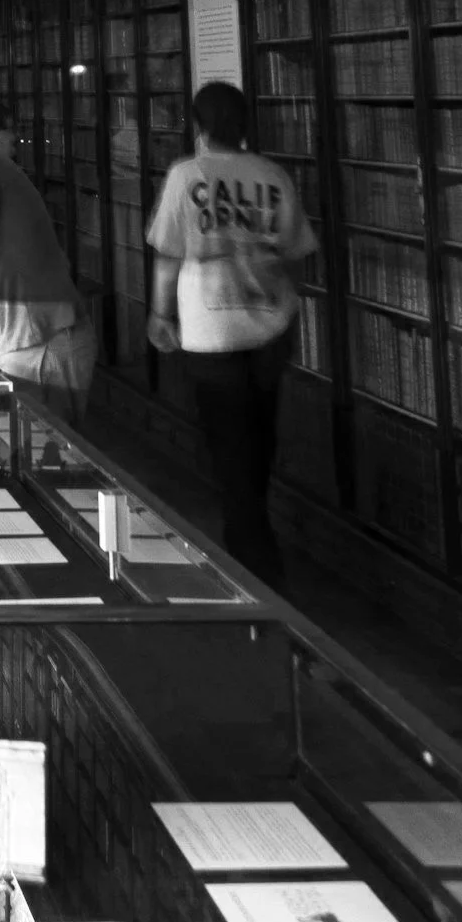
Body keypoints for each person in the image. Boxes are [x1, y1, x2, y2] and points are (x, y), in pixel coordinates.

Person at [147, 79, 314, 585]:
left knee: (228, 444)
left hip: (211, 330)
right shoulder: (270, 174)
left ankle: (254, 565)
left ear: (198, 127)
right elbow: (296, 252)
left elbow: (169, 254)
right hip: (270, 326)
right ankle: (254, 540)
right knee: (260, 437)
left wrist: (160, 314)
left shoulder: (186, 175)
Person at [0, 99, 97, 422]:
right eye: (12, 133)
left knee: (47, 448)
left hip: (41, 339)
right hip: (28, 339)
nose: (17, 142)